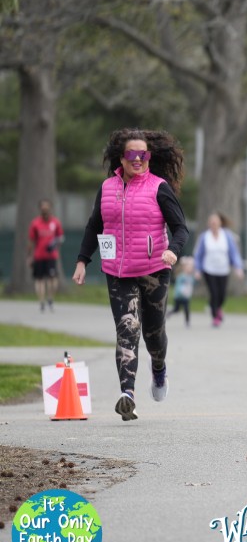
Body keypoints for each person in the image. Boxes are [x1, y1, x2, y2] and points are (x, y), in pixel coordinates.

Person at [72, 128, 189, 421]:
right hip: (118, 271)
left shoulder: (159, 188)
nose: (138, 159)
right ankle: (128, 394)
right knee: (127, 328)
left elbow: (180, 228)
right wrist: (82, 261)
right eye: (132, 154)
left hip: (154, 270)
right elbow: (94, 226)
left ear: (149, 157)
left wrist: (172, 250)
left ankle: (158, 368)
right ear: (121, 157)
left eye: (143, 155)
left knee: (153, 333)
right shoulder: (107, 188)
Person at [193, 211, 244, 327]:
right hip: (209, 270)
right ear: (208, 224)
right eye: (211, 222)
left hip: (223, 270)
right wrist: (197, 270)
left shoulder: (227, 236)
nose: (214, 224)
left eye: (215, 222)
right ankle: (215, 316)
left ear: (220, 223)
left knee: (222, 295)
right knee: (214, 293)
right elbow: (198, 254)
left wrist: (238, 268)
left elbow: (234, 253)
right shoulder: (204, 237)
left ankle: (218, 308)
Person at [27, 199, 64, 312]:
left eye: (47, 207)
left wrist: (55, 245)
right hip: (39, 256)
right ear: (40, 209)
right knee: (40, 279)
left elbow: (60, 238)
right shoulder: (35, 223)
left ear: (50, 208)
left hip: (51, 256)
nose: (45, 209)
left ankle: (50, 298)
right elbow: (31, 241)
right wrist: (29, 257)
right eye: (43, 207)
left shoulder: (55, 222)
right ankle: (41, 301)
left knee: (53, 279)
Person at [168, 256, 195, 327]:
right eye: (188, 268)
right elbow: (178, 286)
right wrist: (180, 293)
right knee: (176, 309)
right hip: (179, 296)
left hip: (186, 297)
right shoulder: (181, 277)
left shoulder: (191, 277)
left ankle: (187, 322)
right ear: (184, 268)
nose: (190, 270)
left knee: (186, 309)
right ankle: (169, 313)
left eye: (191, 268)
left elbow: (192, 283)